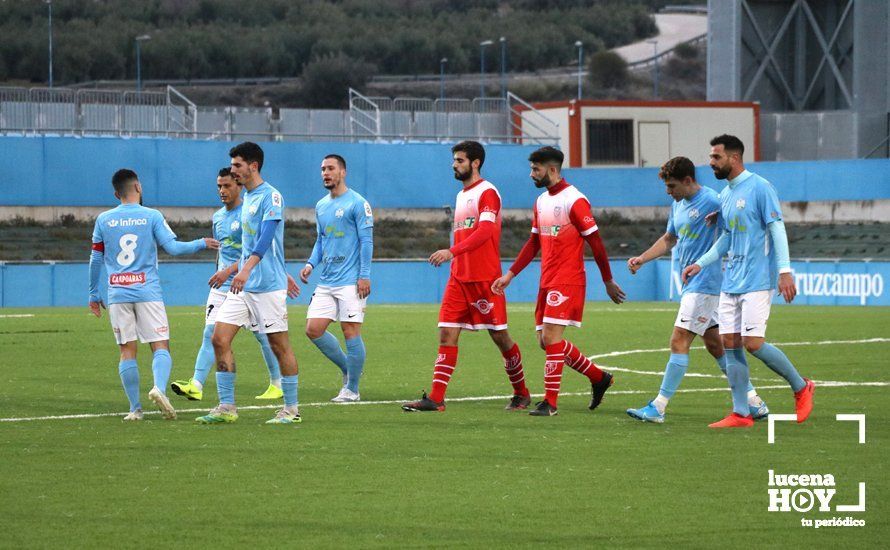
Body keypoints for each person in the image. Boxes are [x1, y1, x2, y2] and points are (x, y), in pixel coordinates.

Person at [682, 134, 815, 428]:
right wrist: (700, 263)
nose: (711, 161)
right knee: (730, 344)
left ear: (734, 158)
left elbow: (776, 228)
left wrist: (784, 270)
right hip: (732, 280)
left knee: (753, 343)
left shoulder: (760, 187)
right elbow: (727, 238)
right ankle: (741, 413)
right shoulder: (726, 194)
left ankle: (800, 386)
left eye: (716, 157)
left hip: (757, 279)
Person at [624, 156, 768, 423]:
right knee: (716, 345)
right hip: (693, 286)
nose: (668, 192)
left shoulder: (714, 200)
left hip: (706, 284)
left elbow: (738, 229)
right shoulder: (677, 204)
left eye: (671, 186)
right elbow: (670, 238)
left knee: (679, 340)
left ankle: (659, 406)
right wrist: (642, 259)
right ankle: (753, 401)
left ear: (688, 181)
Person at [492, 146, 625, 417]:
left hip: (568, 279)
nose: (531, 174)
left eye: (535, 169)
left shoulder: (574, 200)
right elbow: (533, 243)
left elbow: (596, 243)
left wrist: (608, 280)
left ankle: (550, 403)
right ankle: (599, 377)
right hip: (547, 279)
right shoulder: (541, 202)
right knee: (545, 341)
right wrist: (510, 274)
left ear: (552, 169)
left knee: (552, 338)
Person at [402, 140, 532, 412]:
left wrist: (451, 251)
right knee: (447, 334)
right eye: (454, 160)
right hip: (459, 278)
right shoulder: (462, 195)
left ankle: (521, 393)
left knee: (501, 338)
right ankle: (436, 399)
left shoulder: (488, 192)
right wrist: (455, 257)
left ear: (475, 163)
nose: (454, 165)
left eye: (460, 160)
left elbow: (484, 233)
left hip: (486, 280)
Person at [89, 169, 218, 420]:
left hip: (117, 292)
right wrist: (201, 243)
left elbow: (96, 258)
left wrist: (94, 293)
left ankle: (134, 409)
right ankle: (158, 389)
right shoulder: (151, 216)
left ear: (117, 193)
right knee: (160, 345)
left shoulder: (103, 220)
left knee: (127, 351)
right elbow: (173, 248)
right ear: (137, 186)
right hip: (147, 291)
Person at [195, 142, 302, 425]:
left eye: (237, 166)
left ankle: (291, 410)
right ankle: (227, 406)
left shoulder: (271, 197)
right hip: (243, 286)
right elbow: (246, 245)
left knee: (279, 345)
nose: (234, 171)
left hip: (265, 285)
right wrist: (240, 271)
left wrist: (246, 271)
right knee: (219, 338)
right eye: (232, 166)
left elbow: (266, 239)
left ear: (253, 166)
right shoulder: (247, 201)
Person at [171, 167, 299, 403]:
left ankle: (278, 384)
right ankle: (198, 385)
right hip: (223, 288)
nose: (222, 190)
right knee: (213, 334)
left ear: (239, 185)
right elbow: (224, 251)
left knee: (267, 337)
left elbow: (260, 248)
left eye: (227, 185)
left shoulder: (250, 211)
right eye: (219, 186)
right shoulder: (218, 217)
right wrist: (219, 273)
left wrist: (277, 272)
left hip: (250, 282)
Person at [300, 154, 373, 402]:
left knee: (350, 330)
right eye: (322, 169)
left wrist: (364, 276)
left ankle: (352, 389)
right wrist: (311, 263)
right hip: (327, 280)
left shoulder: (358, 203)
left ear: (343, 172)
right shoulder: (321, 205)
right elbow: (321, 240)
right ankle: (348, 367)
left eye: (330, 168)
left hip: (351, 280)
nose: (325, 173)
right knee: (313, 329)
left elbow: (366, 241)